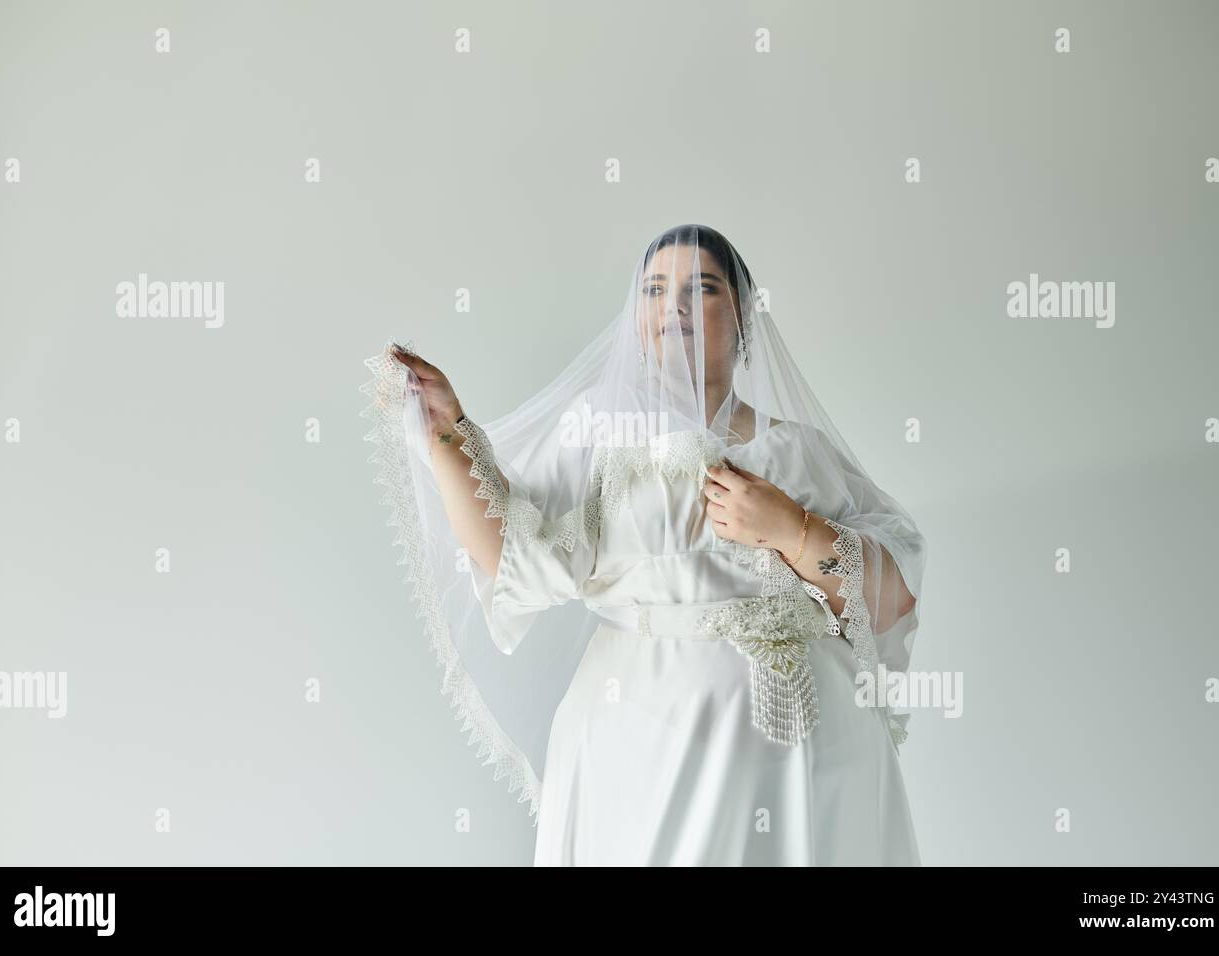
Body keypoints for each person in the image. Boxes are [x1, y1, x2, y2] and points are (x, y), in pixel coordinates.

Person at [362, 224, 927, 865]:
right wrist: (446, 434)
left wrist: (788, 527)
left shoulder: (802, 451)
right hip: (642, 745)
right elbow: (511, 555)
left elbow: (891, 599)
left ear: (743, 314)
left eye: (702, 287)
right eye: (655, 289)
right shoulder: (600, 435)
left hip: (814, 758)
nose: (675, 305)